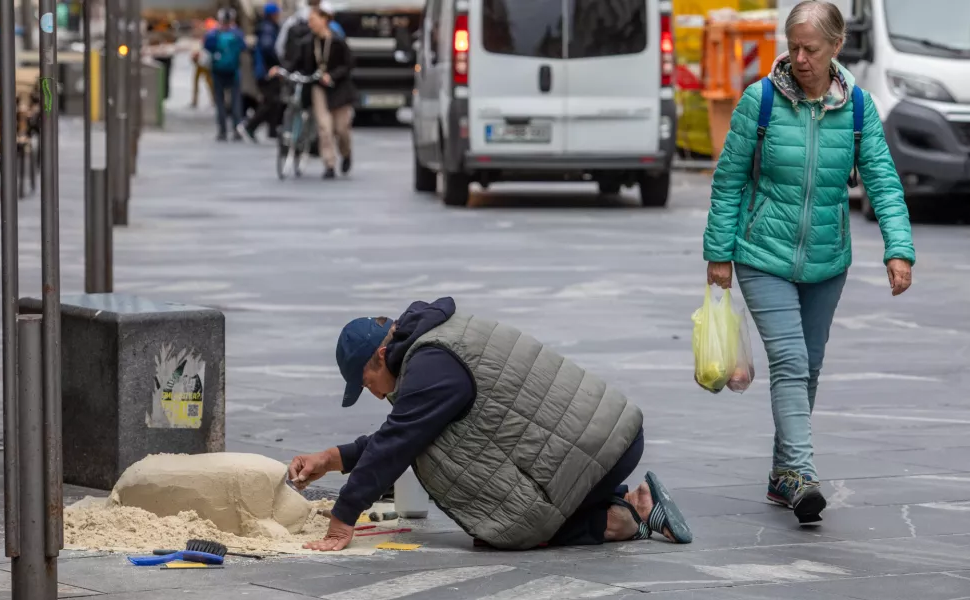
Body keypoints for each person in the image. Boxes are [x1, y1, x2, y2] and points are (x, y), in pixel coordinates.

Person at [702, 0, 915, 525]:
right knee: (791, 363)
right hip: (761, 255)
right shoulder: (761, 101)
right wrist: (718, 254)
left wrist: (898, 248)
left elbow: (883, 182)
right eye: (792, 46)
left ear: (836, 47)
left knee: (809, 366)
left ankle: (781, 476)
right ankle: (800, 473)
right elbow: (729, 178)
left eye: (810, 49)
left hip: (827, 261)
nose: (798, 57)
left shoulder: (860, 108)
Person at [287, 297, 693, 552]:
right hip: (605, 440)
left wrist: (343, 520)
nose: (374, 393)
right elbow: (406, 430)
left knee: (508, 530)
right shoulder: (431, 344)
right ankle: (632, 499)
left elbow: (398, 441)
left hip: (598, 451)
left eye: (366, 383)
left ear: (379, 355)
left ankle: (628, 514)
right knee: (496, 525)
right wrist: (331, 458)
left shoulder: (429, 367)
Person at [285, 1, 355, 179]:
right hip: (318, 87)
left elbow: (348, 64)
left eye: (313, 20)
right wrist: (282, 71)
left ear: (324, 20)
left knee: (341, 129)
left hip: (339, 89)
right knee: (324, 127)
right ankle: (329, 164)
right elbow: (296, 63)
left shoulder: (337, 41)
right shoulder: (307, 43)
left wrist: (332, 75)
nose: (310, 24)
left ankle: (346, 153)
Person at [238, 3, 283, 141]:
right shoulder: (268, 29)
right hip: (266, 71)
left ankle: (271, 130)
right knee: (270, 101)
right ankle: (249, 126)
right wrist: (277, 63)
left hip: (263, 70)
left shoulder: (265, 27)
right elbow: (267, 48)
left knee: (273, 100)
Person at [203, 8, 247, 141]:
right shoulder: (237, 34)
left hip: (217, 71)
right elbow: (243, 47)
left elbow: (207, 46)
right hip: (234, 72)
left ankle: (222, 131)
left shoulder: (214, 34)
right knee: (235, 102)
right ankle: (236, 129)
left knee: (220, 102)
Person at [276, 0, 346, 67]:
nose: (310, 25)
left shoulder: (336, 36)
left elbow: (344, 64)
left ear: (324, 19)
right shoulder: (307, 40)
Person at [190, 18, 217, 108]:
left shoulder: (210, 35)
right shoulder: (207, 35)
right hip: (201, 62)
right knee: (199, 81)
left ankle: (213, 99)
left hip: (205, 62)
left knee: (208, 81)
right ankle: (196, 100)